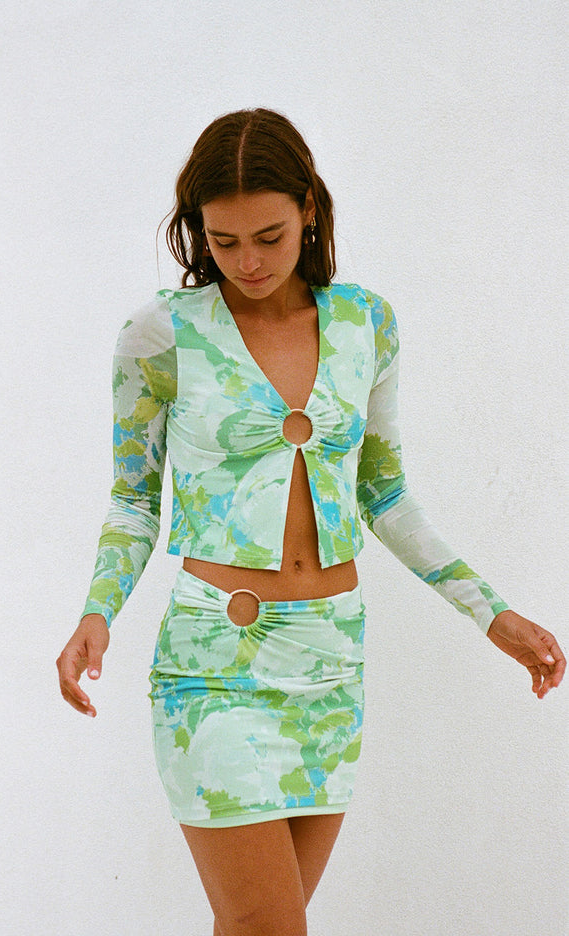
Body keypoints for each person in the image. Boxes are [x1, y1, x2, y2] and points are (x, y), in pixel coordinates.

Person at [57, 108, 565, 936]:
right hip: (214, 667)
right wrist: (96, 612)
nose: (248, 262)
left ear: (309, 212)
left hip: (330, 661)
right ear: (197, 231)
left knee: (255, 926)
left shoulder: (367, 324)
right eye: (223, 241)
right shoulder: (161, 335)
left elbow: (385, 495)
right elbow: (134, 498)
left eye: (270, 236)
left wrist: (492, 613)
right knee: (271, 927)